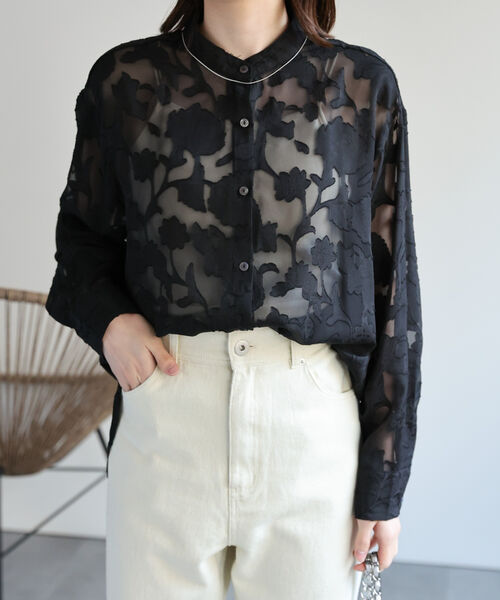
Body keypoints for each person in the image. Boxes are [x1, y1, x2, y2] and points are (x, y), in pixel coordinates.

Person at [45, 0, 423, 598]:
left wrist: (384, 484)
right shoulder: (126, 80)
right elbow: (81, 240)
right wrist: (110, 321)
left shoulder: (360, 84)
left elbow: (392, 283)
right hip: (166, 414)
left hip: (310, 429)